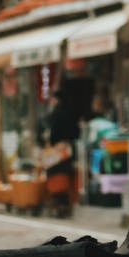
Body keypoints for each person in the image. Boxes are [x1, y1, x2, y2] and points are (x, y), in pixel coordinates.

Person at [42, 89, 80, 218]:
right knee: (67, 178)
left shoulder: (56, 114)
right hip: (69, 150)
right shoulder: (72, 113)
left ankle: (58, 204)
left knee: (56, 177)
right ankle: (67, 205)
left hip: (57, 152)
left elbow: (52, 133)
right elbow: (76, 132)